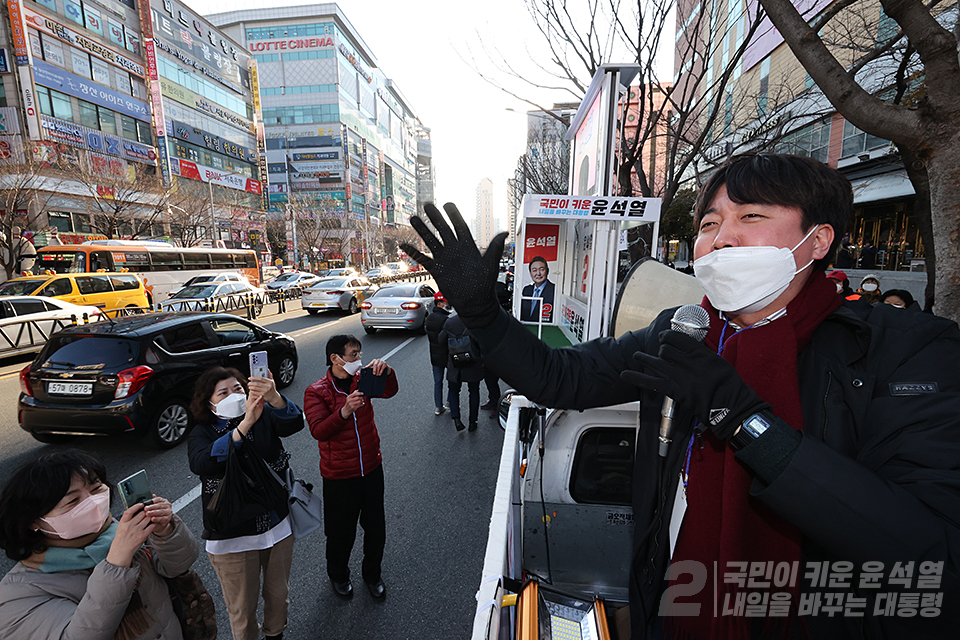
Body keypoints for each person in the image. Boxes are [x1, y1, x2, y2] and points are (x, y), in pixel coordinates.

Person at [401, 153, 960, 639]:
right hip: (674, 606)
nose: (722, 238)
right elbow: (559, 378)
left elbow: (931, 553)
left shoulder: (903, 352)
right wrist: (483, 315)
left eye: (752, 217)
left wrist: (742, 418)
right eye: (711, 222)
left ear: (817, 241)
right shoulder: (684, 331)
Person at [0, 450, 199, 640]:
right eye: (73, 501)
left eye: (96, 489)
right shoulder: (19, 593)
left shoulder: (120, 531)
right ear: (33, 521)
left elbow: (178, 566)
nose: (93, 503)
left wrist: (165, 531)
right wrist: (117, 561)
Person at [188, 367, 304, 640]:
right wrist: (244, 426)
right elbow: (203, 462)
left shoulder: (264, 414)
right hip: (233, 535)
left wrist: (275, 397)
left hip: (277, 524)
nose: (233, 395)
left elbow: (294, 423)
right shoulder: (202, 433)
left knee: (279, 595)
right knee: (242, 609)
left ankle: (275, 634)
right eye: (223, 392)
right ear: (209, 402)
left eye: (238, 388)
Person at [303, 335, 398, 600]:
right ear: (335, 358)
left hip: (371, 467)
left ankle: (372, 574)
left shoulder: (363, 379)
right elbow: (319, 430)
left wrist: (387, 371)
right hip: (339, 476)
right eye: (353, 355)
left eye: (359, 354)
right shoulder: (317, 390)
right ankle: (338, 575)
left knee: (376, 527)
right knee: (340, 532)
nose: (359, 359)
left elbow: (390, 390)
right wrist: (343, 412)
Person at [440, 312, 484, 432]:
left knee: (454, 391)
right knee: (474, 391)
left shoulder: (450, 322)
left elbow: (440, 339)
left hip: (455, 363)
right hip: (473, 362)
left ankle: (457, 419)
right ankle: (472, 422)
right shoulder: (474, 321)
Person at [425, 291, 452, 415]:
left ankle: (438, 407)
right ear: (440, 304)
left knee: (437, 381)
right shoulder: (445, 320)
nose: (449, 305)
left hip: (434, 355)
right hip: (447, 354)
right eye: (446, 303)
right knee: (452, 380)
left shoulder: (430, 318)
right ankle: (449, 403)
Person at [519, 256, 555, 322]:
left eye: (541, 269)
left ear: (547, 271)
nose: (538, 274)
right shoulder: (526, 290)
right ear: (530, 273)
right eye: (534, 270)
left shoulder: (554, 291)